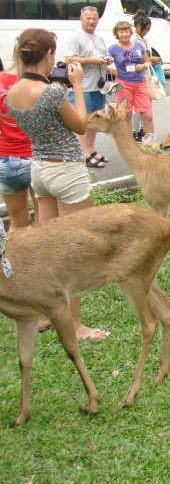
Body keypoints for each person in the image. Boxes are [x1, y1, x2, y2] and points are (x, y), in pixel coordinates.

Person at [6, 29, 107, 341]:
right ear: (49, 55)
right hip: (66, 171)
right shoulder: (51, 92)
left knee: (44, 249)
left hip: (40, 170)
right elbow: (80, 123)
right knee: (74, 251)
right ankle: (74, 326)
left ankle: (42, 317)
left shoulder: (12, 92)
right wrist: (76, 86)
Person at [64, 5, 112, 168]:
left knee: (95, 121)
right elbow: (69, 59)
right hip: (82, 87)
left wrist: (107, 60)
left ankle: (91, 149)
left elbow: (102, 55)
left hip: (99, 86)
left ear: (98, 20)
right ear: (81, 19)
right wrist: (93, 60)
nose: (91, 21)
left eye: (94, 18)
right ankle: (83, 153)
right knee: (82, 121)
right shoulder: (76, 37)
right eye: (88, 18)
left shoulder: (99, 37)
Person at [0, 66, 38, 230]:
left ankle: (12, 256)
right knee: (43, 223)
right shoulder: (38, 81)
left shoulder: (1, 79)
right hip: (34, 156)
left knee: (16, 223)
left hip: (5, 158)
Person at [107, 21, 155, 138]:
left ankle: (150, 144)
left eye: (127, 31)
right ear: (117, 33)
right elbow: (103, 63)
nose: (124, 34)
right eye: (121, 32)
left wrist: (143, 66)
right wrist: (113, 71)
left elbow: (148, 62)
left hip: (140, 83)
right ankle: (129, 144)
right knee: (126, 115)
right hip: (123, 84)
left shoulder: (139, 45)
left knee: (148, 115)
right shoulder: (112, 49)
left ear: (130, 32)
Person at [133, 10, 163, 143]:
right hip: (138, 76)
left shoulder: (143, 39)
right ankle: (135, 131)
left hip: (146, 74)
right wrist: (153, 59)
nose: (147, 32)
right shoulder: (134, 39)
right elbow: (139, 58)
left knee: (145, 105)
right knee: (139, 106)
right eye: (146, 29)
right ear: (138, 26)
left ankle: (141, 129)